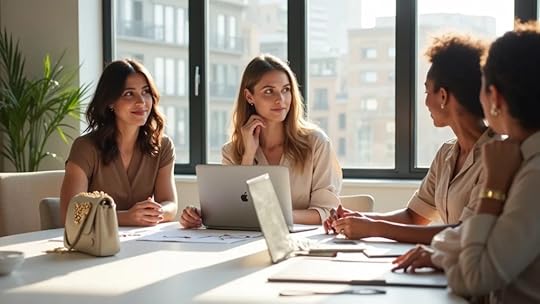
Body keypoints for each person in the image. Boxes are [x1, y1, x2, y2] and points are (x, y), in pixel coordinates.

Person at [392, 22, 540, 303]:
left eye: (482, 87)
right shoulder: (518, 156)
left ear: (494, 96)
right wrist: (442, 255)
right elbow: (456, 240)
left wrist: (493, 187)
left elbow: (473, 277)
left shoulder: (530, 172)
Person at [324, 34, 492, 244]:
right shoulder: (447, 153)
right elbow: (413, 217)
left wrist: (374, 228)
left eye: (426, 91)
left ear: (443, 96)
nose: (425, 102)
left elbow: (464, 232)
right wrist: (358, 219)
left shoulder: (497, 156)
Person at [180, 54, 342, 228]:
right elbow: (232, 210)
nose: (280, 99)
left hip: (301, 246)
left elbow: (325, 212)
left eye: (286, 90)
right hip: (246, 244)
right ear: (249, 97)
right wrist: (248, 156)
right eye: (268, 91)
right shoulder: (232, 151)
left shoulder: (316, 143)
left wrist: (273, 214)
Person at [60, 59, 178, 227]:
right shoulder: (85, 147)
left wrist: (156, 212)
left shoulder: (163, 145)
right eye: (129, 94)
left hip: (143, 243)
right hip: (96, 246)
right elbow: (69, 214)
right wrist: (126, 218)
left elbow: (170, 204)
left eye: (145, 92)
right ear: (110, 102)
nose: (141, 101)